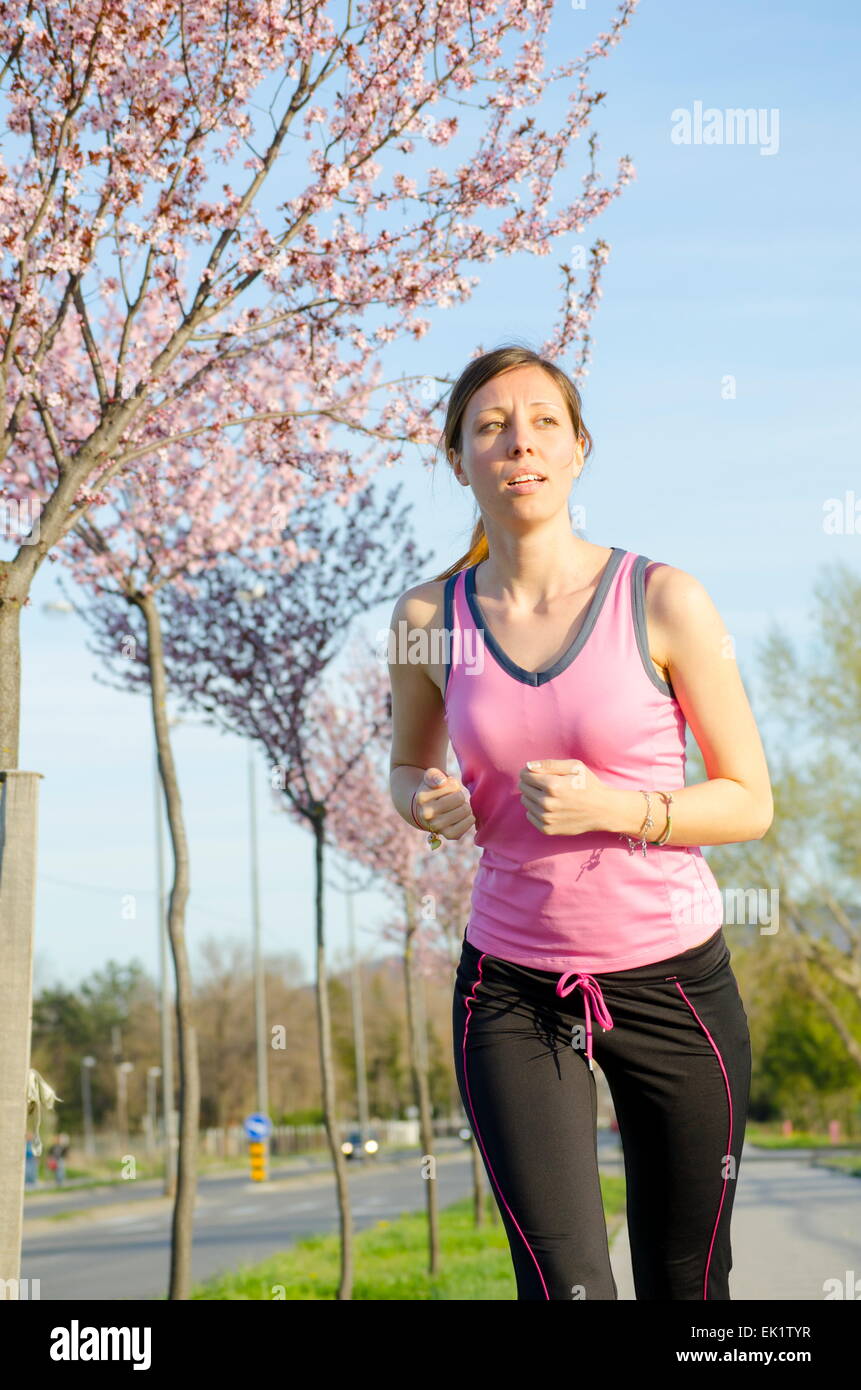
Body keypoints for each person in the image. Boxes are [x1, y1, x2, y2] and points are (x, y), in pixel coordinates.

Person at [386, 344, 773, 1301]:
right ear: (458, 459)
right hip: (511, 988)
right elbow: (405, 765)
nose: (518, 443)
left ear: (578, 449)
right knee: (566, 1286)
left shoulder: (661, 598)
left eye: (542, 423)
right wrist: (423, 800)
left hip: (672, 981)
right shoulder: (428, 615)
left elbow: (749, 801)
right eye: (489, 427)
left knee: (686, 1284)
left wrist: (619, 808)